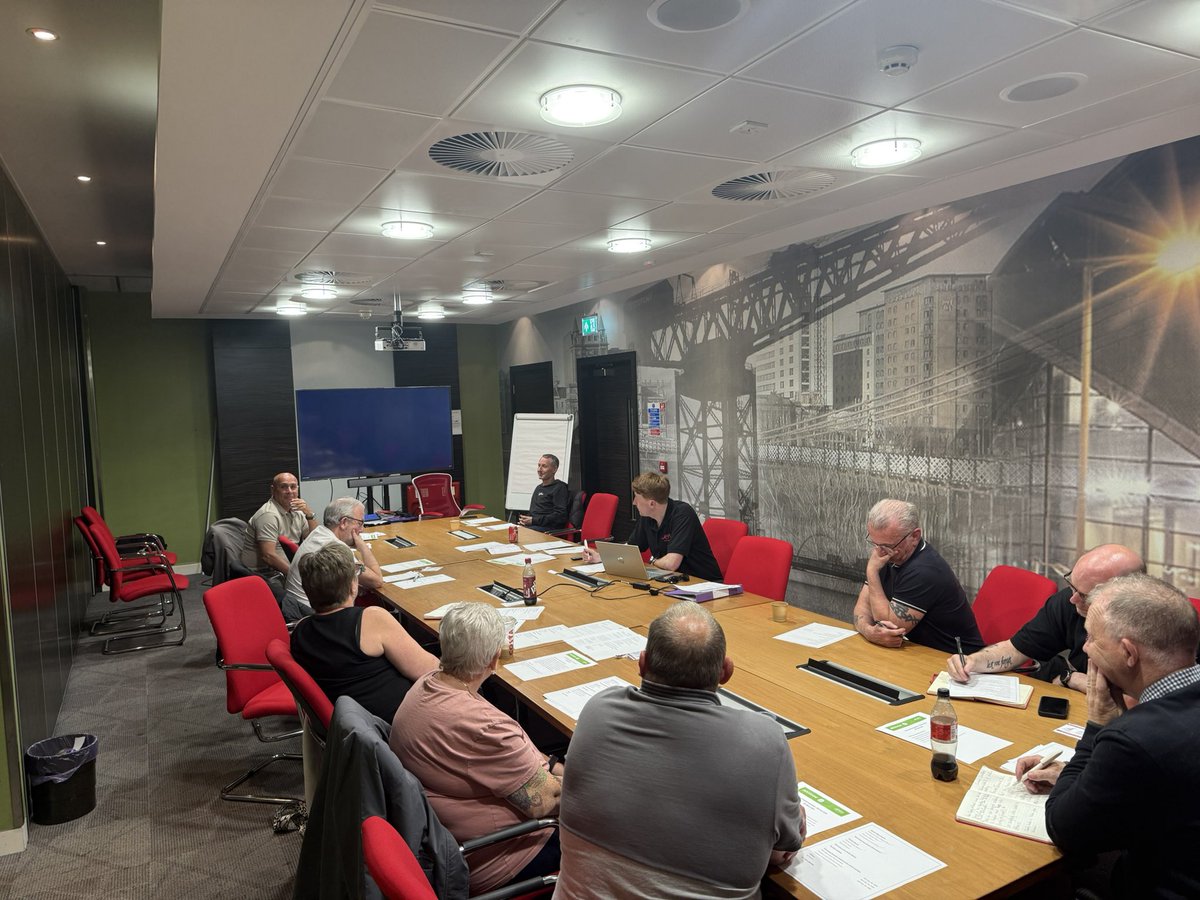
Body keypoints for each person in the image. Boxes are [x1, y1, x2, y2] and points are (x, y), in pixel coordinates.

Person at [554, 602, 804, 898]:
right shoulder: (765, 741)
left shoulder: (598, 709)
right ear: (726, 671)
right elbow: (785, 845)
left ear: (642, 663)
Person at [1014, 574, 1200, 897]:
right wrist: (1086, 775)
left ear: (1128, 653)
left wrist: (1098, 724)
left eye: (1091, 638)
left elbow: (1063, 827)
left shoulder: (1134, 738)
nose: (1085, 648)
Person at [390, 603, 562, 895]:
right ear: (494, 659)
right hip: (506, 854)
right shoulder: (486, 727)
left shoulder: (424, 685)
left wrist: (554, 765)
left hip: (441, 841)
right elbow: (547, 802)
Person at [946, 544, 1145, 690]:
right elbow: (1017, 648)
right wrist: (973, 661)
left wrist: (1071, 678)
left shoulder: (1148, 628)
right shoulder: (1071, 601)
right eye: (1072, 585)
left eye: (1086, 596)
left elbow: (1135, 700)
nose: (1073, 599)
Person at [289, 543, 437, 721]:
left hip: (352, 725)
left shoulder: (300, 631)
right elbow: (430, 671)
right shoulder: (371, 619)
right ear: (353, 587)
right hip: (404, 723)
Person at [853, 499, 983, 654]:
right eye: (875, 543)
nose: (879, 551)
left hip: (953, 658)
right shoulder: (885, 554)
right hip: (917, 651)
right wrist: (868, 631)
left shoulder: (925, 570)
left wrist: (872, 572)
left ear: (915, 536)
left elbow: (889, 627)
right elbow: (861, 610)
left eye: (888, 546)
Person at [581, 472, 721, 581]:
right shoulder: (648, 517)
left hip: (702, 584)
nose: (634, 503)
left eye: (637, 498)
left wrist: (652, 561)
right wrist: (602, 557)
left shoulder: (683, 514)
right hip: (673, 580)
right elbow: (630, 548)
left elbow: (671, 563)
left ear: (652, 504)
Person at [281, 497, 384, 622]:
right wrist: (362, 546)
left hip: (299, 609)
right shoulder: (335, 548)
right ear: (344, 522)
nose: (361, 529)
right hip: (314, 616)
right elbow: (377, 581)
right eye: (360, 523)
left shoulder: (319, 532)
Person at [239, 472, 316, 594]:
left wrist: (309, 514)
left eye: (293, 487)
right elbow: (268, 556)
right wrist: (296, 576)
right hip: (264, 573)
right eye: (284, 487)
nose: (289, 491)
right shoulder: (268, 515)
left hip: (287, 567)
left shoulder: (298, 511)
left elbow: (314, 539)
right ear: (273, 490)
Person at [518, 454, 570, 532]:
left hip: (548, 529)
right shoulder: (538, 488)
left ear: (554, 469)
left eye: (544, 466)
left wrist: (534, 520)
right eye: (539, 465)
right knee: (511, 530)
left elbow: (560, 516)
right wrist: (525, 520)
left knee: (519, 534)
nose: (539, 469)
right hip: (534, 526)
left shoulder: (560, 488)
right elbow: (534, 513)